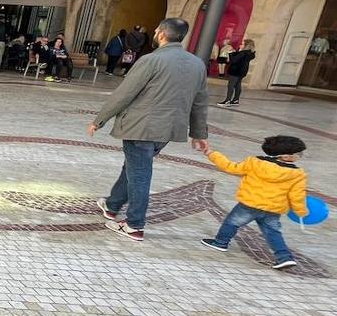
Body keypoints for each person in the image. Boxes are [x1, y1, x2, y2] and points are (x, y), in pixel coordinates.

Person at [89, 18, 209, 241]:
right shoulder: (197, 64)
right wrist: (199, 133)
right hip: (167, 130)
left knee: (140, 174)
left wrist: (100, 119)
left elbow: (125, 92)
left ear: (162, 34)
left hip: (141, 127)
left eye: (156, 31)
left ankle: (134, 224)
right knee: (134, 167)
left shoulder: (151, 60)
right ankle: (112, 204)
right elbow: (200, 101)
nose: (154, 33)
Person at [200, 135, 307, 269]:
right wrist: (300, 211)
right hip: (273, 209)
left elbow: (230, 167)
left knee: (232, 223)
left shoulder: (254, 162)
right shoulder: (297, 174)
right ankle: (284, 257)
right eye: (299, 154)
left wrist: (212, 154)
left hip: (249, 204)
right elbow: (297, 195)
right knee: (273, 232)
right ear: (286, 156)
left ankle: (220, 242)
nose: (300, 156)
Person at [220, 39, 256, 106]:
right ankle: (236, 100)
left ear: (246, 45)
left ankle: (227, 101)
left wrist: (230, 53)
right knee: (237, 85)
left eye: (242, 44)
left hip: (236, 70)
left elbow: (233, 60)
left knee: (231, 85)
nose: (240, 45)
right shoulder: (249, 53)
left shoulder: (243, 53)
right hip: (242, 71)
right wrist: (237, 52)